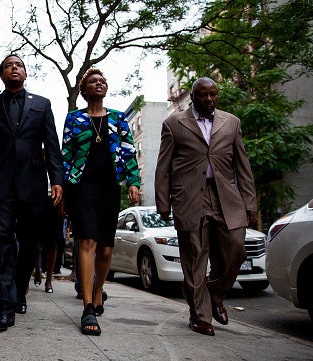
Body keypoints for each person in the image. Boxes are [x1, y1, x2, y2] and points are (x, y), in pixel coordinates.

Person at [154, 77, 257, 336]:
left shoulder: (231, 122)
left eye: (213, 95)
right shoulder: (174, 123)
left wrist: (250, 203)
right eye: (203, 95)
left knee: (236, 248)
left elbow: (242, 167)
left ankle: (216, 290)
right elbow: (163, 166)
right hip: (189, 197)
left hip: (226, 197)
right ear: (193, 96)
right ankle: (200, 315)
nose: (209, 100)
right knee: (195, 257)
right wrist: (163, 203)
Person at [0, 54, 63, 332]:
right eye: (8, 66)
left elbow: (51, 143)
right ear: (1, 75)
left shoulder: (42, 104)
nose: (14, 68)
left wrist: (56, 180)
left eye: (19, 65)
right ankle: (5, 306)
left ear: (25, 74)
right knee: (2, 241)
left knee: (28, 244)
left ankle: (20, 292)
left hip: (32, 184)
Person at [62, 67, 140, 336]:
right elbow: (66, 154)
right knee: (86, 241)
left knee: (106, 249)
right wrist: (61, 186)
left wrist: (133, 182)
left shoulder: (119, 119)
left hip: (109, 187)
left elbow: (129, 153)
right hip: (82, 187)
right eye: (93, 81)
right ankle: (87, 308)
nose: (99, 84)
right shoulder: (74, 119)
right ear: (84, 90)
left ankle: (97, 292)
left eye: (102, 81)